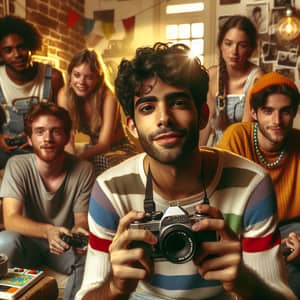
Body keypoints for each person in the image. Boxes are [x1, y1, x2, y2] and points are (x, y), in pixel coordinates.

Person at [76, 43, 295, 300]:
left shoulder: (252, 185)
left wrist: (243, 283)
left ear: (203, 115)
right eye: (147, 107)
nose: (164, 118)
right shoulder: (111, 190)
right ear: (132, 127)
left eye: (178, 102)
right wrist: (113, 287)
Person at [217, 71, 300, 298]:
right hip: (240, 225)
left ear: (294, 112)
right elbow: (218, 198)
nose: (277, 121)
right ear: (253, 112)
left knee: (291, 262)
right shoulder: (237, 137)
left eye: (285, 112)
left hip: (288, 228)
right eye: (268, 111)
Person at [0, 102, 95, 300]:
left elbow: (81, 219)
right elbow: (11, 219)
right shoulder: (17, 165)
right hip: (26, 242)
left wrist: (79, 233)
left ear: (68, 137)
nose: (48, 139)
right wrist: (48, 231)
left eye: (56, 131)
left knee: (91, 256)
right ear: (29, 138)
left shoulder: (83, 169)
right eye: (40, 132)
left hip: (63, 244)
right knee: (5, 241)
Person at [58, 49, 137, 175]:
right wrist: (70, 159)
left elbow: (104, 144)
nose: (81, 82)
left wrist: (78, 158)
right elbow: (68, 137)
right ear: (70, 74)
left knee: (99, 161)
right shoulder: (64, 94)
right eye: (77, 75)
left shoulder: (108, 97)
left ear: (98, 78)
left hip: (118, 149)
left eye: (89, 77)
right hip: (91, 149)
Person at [0, 15, 64, 169]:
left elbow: (63, 121)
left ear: (30, 46)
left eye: (21, 47)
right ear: (0, 55)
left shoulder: (53, 77)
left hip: (42, 149)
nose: (17, 54)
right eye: (8, 50)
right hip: (5, 151)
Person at [199, 15, 263, 147]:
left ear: (251, 49)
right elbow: (206, 124)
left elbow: (245, 131)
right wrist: (198, 155)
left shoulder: (257, 78)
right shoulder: (212, 74)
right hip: (217, 150)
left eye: (242, 45)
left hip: (244, 150)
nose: (234, 51)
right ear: (220, 45)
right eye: (228, 43)